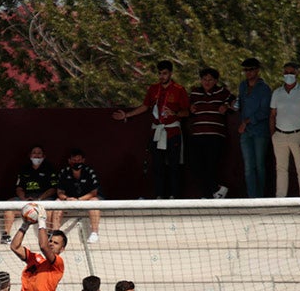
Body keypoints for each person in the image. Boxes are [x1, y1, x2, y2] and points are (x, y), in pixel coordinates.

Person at [112, 59, 190, 199]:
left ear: (171, 73)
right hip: (157, 131)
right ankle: (159, 195)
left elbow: (187, 112)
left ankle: (174, 196)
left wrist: (175, 113)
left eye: (165, 73)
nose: (162, 77)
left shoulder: (179, 89)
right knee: (158, 165)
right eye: (160, 74)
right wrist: (127, 115)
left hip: (172, 131)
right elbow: (145, 106)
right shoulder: (154, 89)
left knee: (174, 165)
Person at [270, 61, 300, 197]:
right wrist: (273, 134)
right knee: (281, 168)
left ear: (297, 73)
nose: (288, 75)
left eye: (291, 72)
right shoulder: (277, 93)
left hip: (299, 133)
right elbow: (272, 115)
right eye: (286, 73)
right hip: (280, 134)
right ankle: (280, 197)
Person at [188, 67, 234, 198]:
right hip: (197, 135)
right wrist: (190, 108)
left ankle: (209, 194)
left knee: (211, 166)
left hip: (215, 135)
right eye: (204, 79)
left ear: (216, 81)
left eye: (210, 80)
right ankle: (213, 190)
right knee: (196, 166)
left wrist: (226, 106)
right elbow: (187, 108)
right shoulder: (195, 93)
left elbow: (235, 104)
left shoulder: (222, 92)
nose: (207, 82)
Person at [0, 144, 58, 243]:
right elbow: (19, 188)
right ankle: (6, 235)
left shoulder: (50, 168)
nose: (37, 155)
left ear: (44, 156)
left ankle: (48, 235)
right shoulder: (24, 169)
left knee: (49, 208)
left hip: (43, 199)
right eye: (34, 153)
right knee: (9, 205)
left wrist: (39, 199)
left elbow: (53, 189)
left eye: (39, 153)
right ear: (30, 155)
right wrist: (23, 198)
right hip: (27, 199)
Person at [236, 58, 271, 198]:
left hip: (259, 130)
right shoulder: (242, 86)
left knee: (259, 165)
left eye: (251, 69)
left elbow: (265, 111)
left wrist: (248, 121)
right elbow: (241, 105)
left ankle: (260, 196)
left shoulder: (264, 89)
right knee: (248, 167)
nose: (248, 72)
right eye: (246, 70)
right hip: (246, 131)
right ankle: (252, 197)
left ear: (257, 70)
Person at [54, 148, 102, 243]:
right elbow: (59, 192)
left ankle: (94, 233)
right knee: (57, 202)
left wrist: (79, 199)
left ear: (83, 160)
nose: (77, 162)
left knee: (95, 201)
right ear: (69, 161)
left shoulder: (89, 172)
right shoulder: (64, 172)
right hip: (69, 201)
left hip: (85, 200)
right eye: (74, 160)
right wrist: (67, 199)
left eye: (79, 160)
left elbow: (94, 192)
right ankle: (55, 233)